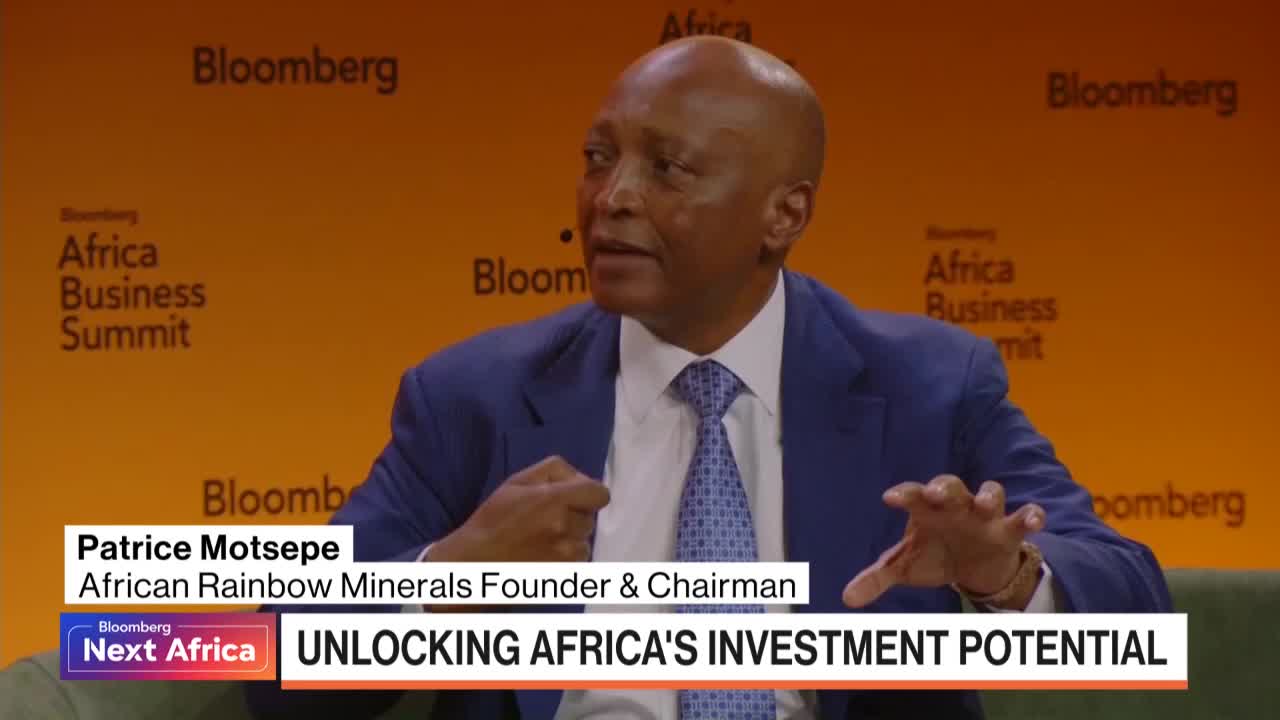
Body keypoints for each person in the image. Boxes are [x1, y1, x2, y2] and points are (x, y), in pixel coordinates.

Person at [247, 35, 1170, 720]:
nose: (612, 199)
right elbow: (273, 668)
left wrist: (1004, 575)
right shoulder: (473, 397)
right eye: (599, 159)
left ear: (783, 215)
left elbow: (1135, 610)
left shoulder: (929, 386)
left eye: (669, 169)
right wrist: (445, 579)